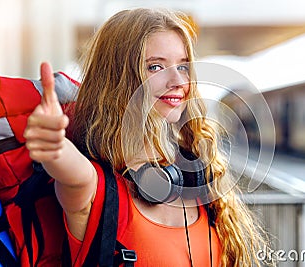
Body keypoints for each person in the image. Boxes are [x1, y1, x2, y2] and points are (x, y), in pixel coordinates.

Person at [24, 8, 274, 267]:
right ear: (118, 80)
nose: (178, 80)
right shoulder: (95, 187)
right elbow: (69, 168)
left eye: (183, 66)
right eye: (156, 66)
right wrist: (52, 143)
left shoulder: (194, 175)